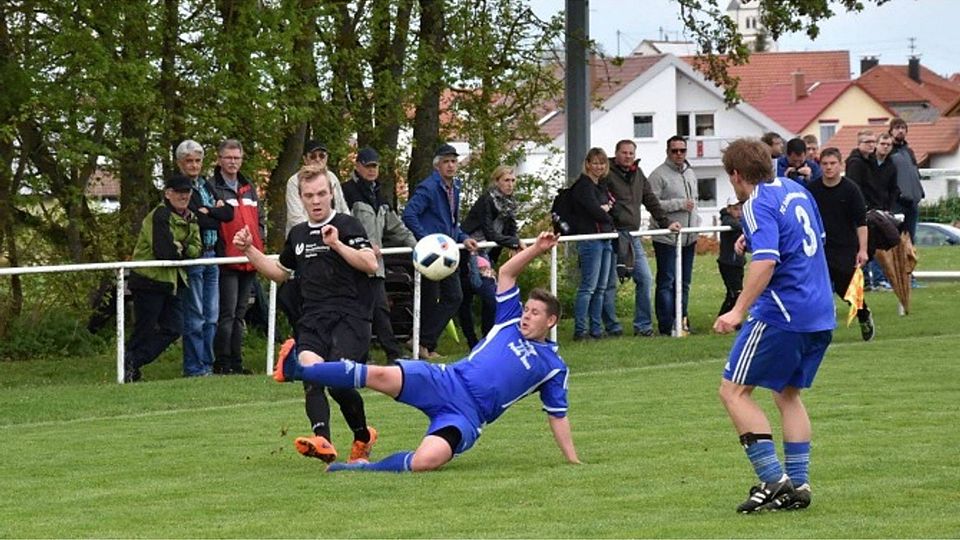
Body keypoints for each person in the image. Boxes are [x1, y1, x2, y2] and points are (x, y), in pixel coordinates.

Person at [272, 231, 580, 473]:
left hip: (467, 415)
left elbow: (558, 415)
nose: (526, 316)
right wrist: (537, 248)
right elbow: (507, 273)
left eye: (535, 313)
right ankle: (298, 370)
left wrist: (572, 460)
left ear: (551, 321)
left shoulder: (554, 366)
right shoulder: (509, 319)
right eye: (526, 310)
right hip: (445, 380)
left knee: (425, 461)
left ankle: (360, 468)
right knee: (377, 374)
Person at [714, 138, 835, 513]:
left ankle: (773, 479)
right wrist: (753, 239)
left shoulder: (755, 203)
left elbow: (766, 262)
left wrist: (737, 310)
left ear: (736, 175)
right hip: (820, 310)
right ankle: (798, 484)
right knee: (787, 394)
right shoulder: (796, 189)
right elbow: (810, 241)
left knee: (733, 391)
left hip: (783, 312)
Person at [233, 165, 379, 464]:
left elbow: (370, 264)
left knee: (337, 382)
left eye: (321, 194)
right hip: (312, 318)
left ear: (331, 193)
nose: (316, 201)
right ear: (300, 197)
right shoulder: (298, 234)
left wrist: (336, 244)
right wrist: (249, 250)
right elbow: (280, 272)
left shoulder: (347, 225)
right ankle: (322, 439)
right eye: (309, 195)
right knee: (311, 374)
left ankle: (363, 436)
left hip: (350, 317)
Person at [402, 144, 479, 358]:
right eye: (446, 161)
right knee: (432, 298)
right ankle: (422, 344)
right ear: (437, 165)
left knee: (453, 297)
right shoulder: (428, 187)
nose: (451, 165)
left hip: (447, 251)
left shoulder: (455, 187)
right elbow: (409, 214)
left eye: (454, 161)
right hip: (432, 253)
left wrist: (464, 238)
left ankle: (423, 342)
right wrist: (427, 240)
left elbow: (451, 223)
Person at [341, 147, 417, 361]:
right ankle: (368, 354)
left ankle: (392, 354)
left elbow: (396, 227)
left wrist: (418, 247)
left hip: (375, 266)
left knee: (379, 309)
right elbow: (343, 225)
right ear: (357, 166)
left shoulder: (379, 195)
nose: (372, 170)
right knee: (359, 311)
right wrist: (363, 245)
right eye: (368, 166)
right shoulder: (346, 192)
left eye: (375, 166)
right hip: (353, 263)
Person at [124, 174, 201, 382]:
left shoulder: (191, 217)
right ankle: (129, 367)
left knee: (174, 328)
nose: (184, 196)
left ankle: (131, 361)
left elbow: (197, 249)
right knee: (144, 330)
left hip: (172, 282)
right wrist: (183, 249)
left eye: (187, 192)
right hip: (149, 280)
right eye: (179, 192)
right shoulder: (159, 215)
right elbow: (164, 251)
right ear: (168, 193)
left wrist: (181, 248)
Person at [604, 140, 679, 337]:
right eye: (624, 152)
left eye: (631, 153)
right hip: (612, 235)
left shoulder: (638, 173)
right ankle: (612, 327)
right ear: (616, 153)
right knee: (609, 283)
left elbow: (650, 200)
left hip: (633, 236)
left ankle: (643, 326)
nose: (628, 156)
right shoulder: (606, 173)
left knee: (645, 278)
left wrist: (666, 223)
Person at [175, 139, 233, 378]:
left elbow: (228, 213)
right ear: (180, 163)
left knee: (212, 317)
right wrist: (213, 213)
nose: (194, 165)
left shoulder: (206, 185)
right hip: (195, 255)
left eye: (198, 161)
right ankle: (194, 366)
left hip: (213, 254)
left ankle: (207, 365)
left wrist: (211, 213)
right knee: (196, 316)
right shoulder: (178, 187)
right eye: (189, 161)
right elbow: (199, 219)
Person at [807, 147, 875, 341]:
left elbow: (861, 223)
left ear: (840, 165)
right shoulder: (812, 190)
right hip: (820, 247)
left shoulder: (851, 190)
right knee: (818, 288)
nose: (828, 168)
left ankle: (863, 314)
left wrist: (862, 250)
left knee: (846, 289)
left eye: (832, 163)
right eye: (825, 164)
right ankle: (820, 328)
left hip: (845, 246)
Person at [211, 139, 263, 375]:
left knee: (240, 312)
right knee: (227, 313)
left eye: (237, 158)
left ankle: (237, 362)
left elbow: (259, 218)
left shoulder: (248, 186)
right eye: (228, 157)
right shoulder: (212, 187)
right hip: (227, 259)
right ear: (219, 159)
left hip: (250, 257)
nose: (233, 162)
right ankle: (223, 362)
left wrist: (259, 242)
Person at [459, 165, 524, 348]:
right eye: (506, 180)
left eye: (513, 180)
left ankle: (486, 339)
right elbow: (490, 233)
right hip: (472, 251)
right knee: (478, 296)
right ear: (496, 182)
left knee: (481, 297)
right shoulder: (486, 200)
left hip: (487, 254)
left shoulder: (509, 203)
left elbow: (511, 228)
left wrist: (513, 241)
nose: (510, 184)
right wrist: (514, 242)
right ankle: (475, 340)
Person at [649, 136, 700, 336]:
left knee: (684, 282)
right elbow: (652, 203)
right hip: (667, 238)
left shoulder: (691, 173)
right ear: (667, 152)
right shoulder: (658, 175)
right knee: (667, 282)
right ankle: (666, 325)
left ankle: (682, 320)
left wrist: (696, 225)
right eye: (674, 150)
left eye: (682, 150)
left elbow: (695, 202)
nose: (679, 154)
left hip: (689, 237)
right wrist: (679, 204)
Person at [568, 147, 617, 340]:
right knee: (588, 287)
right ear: (587, 164)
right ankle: (581, 330)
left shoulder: (601, 185)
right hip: (590, 239)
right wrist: (604, 211)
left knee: (601, 288)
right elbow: (594, 210)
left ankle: (596, 329)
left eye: (602, 163)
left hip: (605, 238)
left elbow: (611, 206)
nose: (599, 167)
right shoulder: (583, 186)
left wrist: (605, 210)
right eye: (595, 163)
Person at [285, 140, 349, 235]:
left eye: (322, 156)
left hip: (335, 234)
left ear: (326, 158)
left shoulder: (332, 178)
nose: (318, 159)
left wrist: (346, 228)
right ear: (305, 159)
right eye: (313, 156)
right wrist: (318, 233)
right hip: (305, 236)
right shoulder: (295, 181)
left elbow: (343, 209)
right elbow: (296, 217)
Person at [888, 118, 925, 243]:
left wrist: (919, 192)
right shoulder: (888, 152)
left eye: (903, 128)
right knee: (894, 240)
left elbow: (914, 173)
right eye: (897, 128)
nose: (900, 131)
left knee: (909, 240)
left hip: (912, 202)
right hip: (897, 203)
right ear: (891, 131)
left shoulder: (909, 151)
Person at [716, 196, 745, 317]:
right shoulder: (727, 220)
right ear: (729, 209)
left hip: (737, 263)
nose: (739, 212)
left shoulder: (741, 221)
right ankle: (724, 318)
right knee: (736, 294)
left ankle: (727, 319)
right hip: (728, 264)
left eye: (741, 209)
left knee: (733, 294)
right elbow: (734, 224)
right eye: (735, 209)